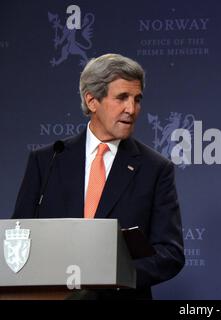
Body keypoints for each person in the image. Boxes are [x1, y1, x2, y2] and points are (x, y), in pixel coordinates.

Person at [12, 53, 184, 299]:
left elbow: (170, 253)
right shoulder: (47, 161)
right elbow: (19, 234)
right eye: (122, 98)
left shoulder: (155, 168)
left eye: (137, 99)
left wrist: (113, 276)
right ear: (92, 101)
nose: (131, 109)